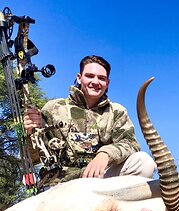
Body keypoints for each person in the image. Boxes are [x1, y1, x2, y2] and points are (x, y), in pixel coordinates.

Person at [24, 55, 156, 188]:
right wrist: (30, 133)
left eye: (101, 78)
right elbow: (34, 159)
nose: (95, 82)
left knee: (144, 162)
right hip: (61, 184)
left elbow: (131, 145)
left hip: (101, 182)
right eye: (90, 76)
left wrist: (105, 154)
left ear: (107, 83)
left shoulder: (117, 111)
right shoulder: (53, 108)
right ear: (79, 78)